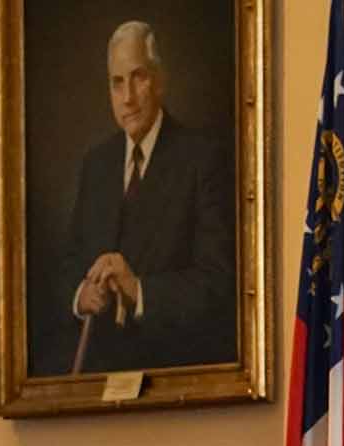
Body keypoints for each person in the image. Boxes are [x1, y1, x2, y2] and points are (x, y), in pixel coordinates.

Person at [48, 21, 234, 375]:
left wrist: (139, 290)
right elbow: (67, 264)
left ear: (160, 81)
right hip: (98, 383)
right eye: (117, 83)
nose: (128, 97)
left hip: (172, 376)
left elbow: (218, 284)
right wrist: (80, 295)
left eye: (138, 77)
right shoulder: (96, 163)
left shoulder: (202, 158)